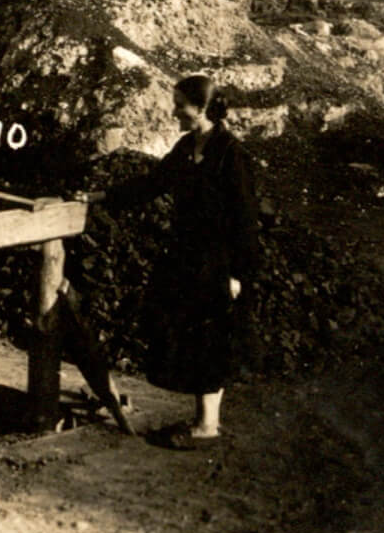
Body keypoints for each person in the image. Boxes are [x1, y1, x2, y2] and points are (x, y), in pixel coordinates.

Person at [78, 75, 258, 450]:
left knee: (210, 338)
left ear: (203, 108)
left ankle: (208, 426)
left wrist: (238, 273)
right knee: (190, 334)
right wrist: (101, 196)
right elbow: (152, 184)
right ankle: (203, 420)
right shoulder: (186, 146)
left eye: (180, 105)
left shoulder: (230, 154)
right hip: (186, 257)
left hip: (217, 261)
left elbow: (244, 219)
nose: (174, 112)